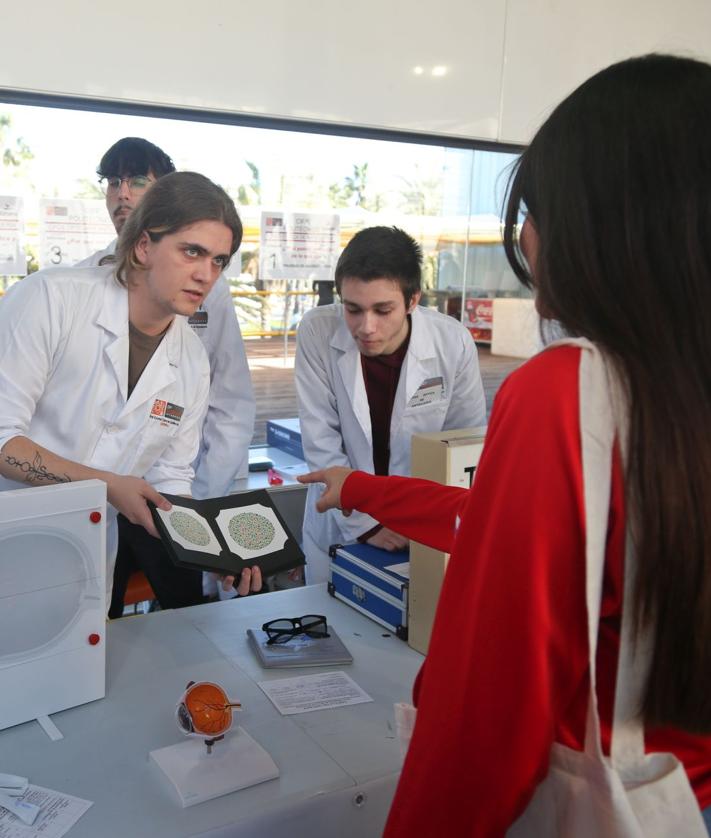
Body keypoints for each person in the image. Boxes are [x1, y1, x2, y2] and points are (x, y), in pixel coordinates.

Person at [300, 55, 711, 835]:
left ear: (608, 219)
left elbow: (486, 706)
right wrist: (358, 490)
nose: (524, 235)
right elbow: (532, 527)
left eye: (537, 207)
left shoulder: (567, 390)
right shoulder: (677, 387)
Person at [0, 171, 260, 604]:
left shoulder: (192, 360)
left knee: (79, 669)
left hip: (86, 564)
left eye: (219, 260)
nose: (206, 274)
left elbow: (169, 477)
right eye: (192, 251)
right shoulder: (50, 300)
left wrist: (213, 548)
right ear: (143, 246)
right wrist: (108, 484)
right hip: (10, 540)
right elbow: (2, 440)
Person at [77, 138, 257, 611]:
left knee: (185, 617)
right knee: (94, 615)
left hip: (169, 496)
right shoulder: (71, 289)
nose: (122, 194)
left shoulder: (204, 290)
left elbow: (230, 402)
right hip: (84, 498)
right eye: (112, 182)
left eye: (137, 181)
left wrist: (204, 504)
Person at [294, 225, 486, 584]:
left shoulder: (452, 342)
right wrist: (365, 525)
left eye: (383, 310)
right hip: (341, 520)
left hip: (422, 526)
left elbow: (464, 447)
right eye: (353, 309)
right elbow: (320, 438)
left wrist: (422, 519)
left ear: (413, 300)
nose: (366, 327)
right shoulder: (317, 331)